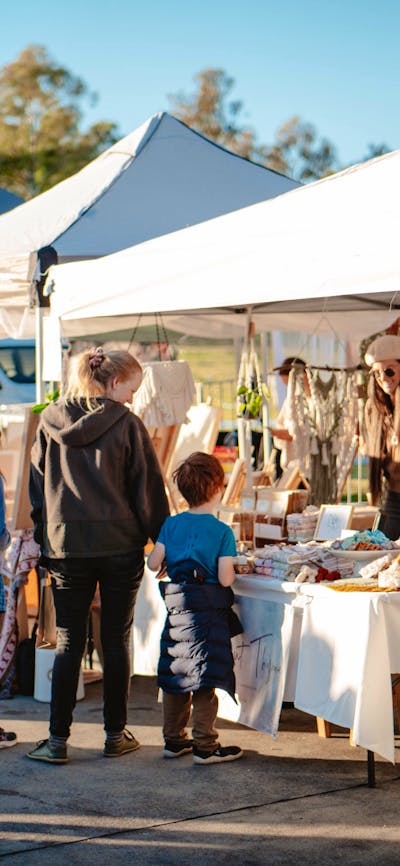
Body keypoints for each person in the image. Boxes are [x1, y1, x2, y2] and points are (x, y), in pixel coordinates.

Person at [27, 347, 169, 764]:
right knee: (115, 639)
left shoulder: (49, 420)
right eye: (131, 389)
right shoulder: (127, 424)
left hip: (66, 546)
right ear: (113, 382)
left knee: (68, 640)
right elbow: (147, 489)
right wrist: (162, 540)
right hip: (121, 545)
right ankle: (115, 735)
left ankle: (57, 741)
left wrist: (44, 536)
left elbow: (38, 487)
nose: (133, 398)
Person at [147, 451, 243, 765]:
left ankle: (174, 740)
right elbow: (226, 579)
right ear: (217, 488)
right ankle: (205, 745)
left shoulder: (171, 524)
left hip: (177, 612)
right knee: (204, 677)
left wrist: (170, 560)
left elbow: (153, 563)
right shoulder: (222, 531)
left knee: (176, 673)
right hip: (207, 615)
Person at [364, 334, 400, 540]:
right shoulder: (376, 407)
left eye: (389, 370)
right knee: (384, 546)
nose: (383, 378)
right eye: (377, 373)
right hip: (393, 492)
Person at [268, 357, 307, 479]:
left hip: (304, 463)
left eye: (289, 384)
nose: (289, 388)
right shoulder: (290, 400)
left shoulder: (309, 401)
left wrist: (286, 433)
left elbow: (304, 432)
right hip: (291, 463)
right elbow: (282, 422)